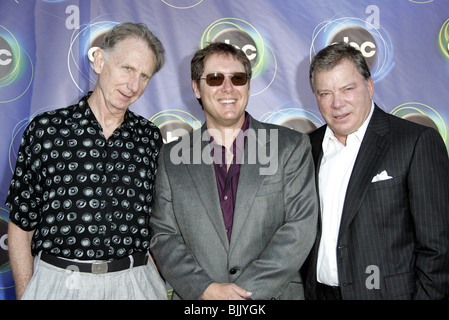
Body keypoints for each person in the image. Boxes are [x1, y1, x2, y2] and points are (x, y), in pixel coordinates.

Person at [6, 22, 168, 300]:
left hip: (135, 284)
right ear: (99, 61)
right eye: (127, 68)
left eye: (144, 75)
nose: (133, 85)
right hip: (58, 285)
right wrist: (26, 293)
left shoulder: (150, 137)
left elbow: (158, 224)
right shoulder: (47, 130)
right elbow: (22, 224)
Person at [149, 42, 318, 300]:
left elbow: (300, 227)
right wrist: (204, 290)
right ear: (196, 87)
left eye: (237, 78)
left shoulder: (291, 146)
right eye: (215, 79)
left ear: (248, 86)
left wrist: (242, 296)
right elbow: (164, 236)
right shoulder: (172, 157)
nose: (228, 88)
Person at [304, 42, 449, 300]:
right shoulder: (306, 147)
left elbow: (437, 250)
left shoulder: (415, 142)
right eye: (325, 93)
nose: (337, 103)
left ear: (369, 86)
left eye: (347, 89)